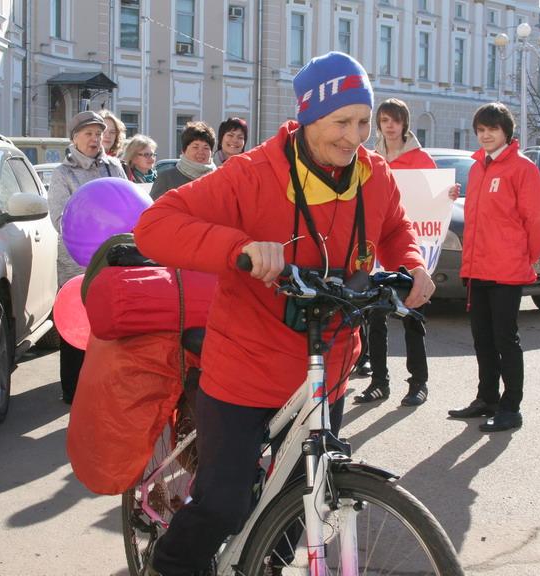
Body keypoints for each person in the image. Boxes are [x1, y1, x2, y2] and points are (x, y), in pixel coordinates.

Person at [134, 51, 434, 576]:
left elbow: (393, 228)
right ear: (307, 116)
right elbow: (155, 226)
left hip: (329, 368)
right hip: (246, 368)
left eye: (363, 122)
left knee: (303, 504)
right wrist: (240, 247)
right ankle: (170, 564)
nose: (354, 136)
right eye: (341, 121)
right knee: (224, 504)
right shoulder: (252, 174)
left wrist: (412, 265)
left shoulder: (375, 176)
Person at [448, 102, 540, 432]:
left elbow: (536, 218)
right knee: (482, 338)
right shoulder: (478, 168)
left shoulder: (522, 168)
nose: (485, 134)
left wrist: (527, 257)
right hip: (477, 268)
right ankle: (487, 397)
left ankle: (511, 407)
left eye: (492, 129)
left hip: (506, 269)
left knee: (505, 339)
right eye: (480, 130)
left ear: (507, 131)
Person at [354, 98, 459, 407]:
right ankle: (379, 382)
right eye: (384, 120)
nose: (389, 125)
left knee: (413, 315)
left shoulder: (421, 158)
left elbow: (435, 199)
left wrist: (448, 194)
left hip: (413, 248)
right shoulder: (372, 159)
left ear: (404, 124)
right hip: (377, 248)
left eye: (395, 120)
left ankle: (418, 383)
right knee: (375, 317)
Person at [48, 111, 126, 404]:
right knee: (76, 326)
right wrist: (92, 224)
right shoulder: (63, 173)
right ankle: (72, 390)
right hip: (76, 263)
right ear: (74, 138)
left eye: (98, 133)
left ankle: (108, 386)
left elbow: (125, 203)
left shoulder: (114, 167)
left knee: (111, 323)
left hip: (113, 260)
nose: (95, 139)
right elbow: (58, 217)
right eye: (88, 134)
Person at [150, 121, 216, 201]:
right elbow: (154, 210)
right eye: (195, 147)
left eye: (206, 148)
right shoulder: (166, 178)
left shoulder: (218, 178)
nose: (201, 152)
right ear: (183, 150)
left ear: (211, 152)